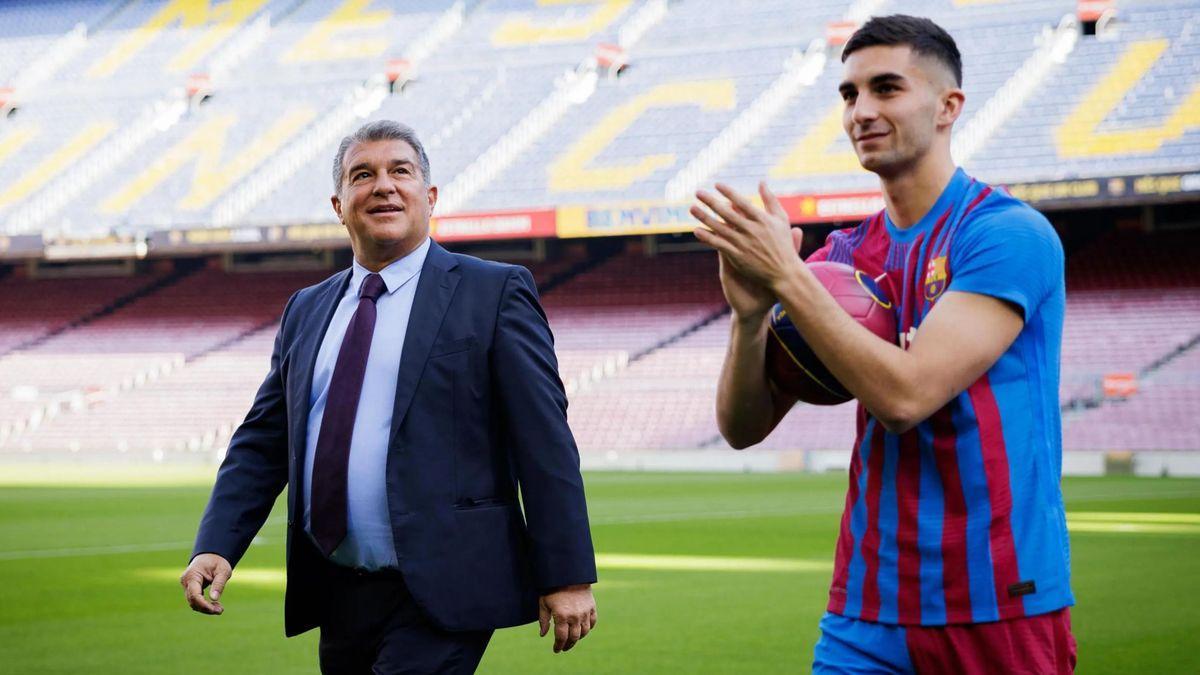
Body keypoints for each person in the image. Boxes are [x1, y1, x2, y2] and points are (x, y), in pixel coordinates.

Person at [690, 15, 1076, 674]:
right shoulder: (843, 259)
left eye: (887, 88)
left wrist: (786, 274)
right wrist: (750, 317)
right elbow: (743, 427)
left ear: (949, 106)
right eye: (848, 94)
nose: (861, 111)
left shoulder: (1007, 235)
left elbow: (906, 396)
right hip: (866, 607)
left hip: (996, 599)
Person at [179, 120, 598, 674]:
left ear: (429, 196)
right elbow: (262, 442)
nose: (383, 185)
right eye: (363, 175)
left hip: (447, 584)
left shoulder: (493, 291)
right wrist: (217, 544)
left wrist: (567, 574)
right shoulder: (306, 309)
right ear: (339, 204)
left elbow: (544, 439)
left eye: (400, 171)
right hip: (338, 586)